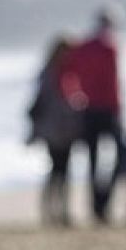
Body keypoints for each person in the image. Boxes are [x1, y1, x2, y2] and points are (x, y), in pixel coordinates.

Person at [64, 6, 125, 225]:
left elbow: (67, 74)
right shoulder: (110, 47)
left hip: (88, 109)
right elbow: (114, 83)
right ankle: (103, 202)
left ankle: (95, 205)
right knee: (120, 156)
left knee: (92, 160)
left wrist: (74, 96)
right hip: (108, 109)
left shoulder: (83, 47)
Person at [26, 36, 84, 227]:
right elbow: (40, 103)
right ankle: (50, 210)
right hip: (53, 129)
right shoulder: (50, 74)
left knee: (65, 170)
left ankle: (62, 210)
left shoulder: (70, 73)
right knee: (56, 170)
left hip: (67, 128)